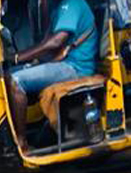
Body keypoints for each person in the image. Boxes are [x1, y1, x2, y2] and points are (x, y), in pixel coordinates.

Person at [6, 0, 97, 150]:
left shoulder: (71, 4)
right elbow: (47, 42)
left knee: (16, 81)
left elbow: (56, 41)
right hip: (64, 63)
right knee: (8, 75)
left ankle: (21, 143)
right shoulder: (57, 8)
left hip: (75, 68)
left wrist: (19, 57)